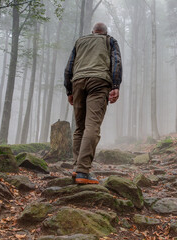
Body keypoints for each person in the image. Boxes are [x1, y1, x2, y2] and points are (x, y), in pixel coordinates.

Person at [64, 22, 122, 184]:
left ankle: (77, 167)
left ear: (92, 32)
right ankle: (83, 171)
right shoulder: (109, 41)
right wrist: (116, 86)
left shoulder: (80, 41)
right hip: (99, 82)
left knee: (80, 127)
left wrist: (69, 90)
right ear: (105, 33)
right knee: (92, 126)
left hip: (78, 82)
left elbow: (69, 67)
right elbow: (116, 62)